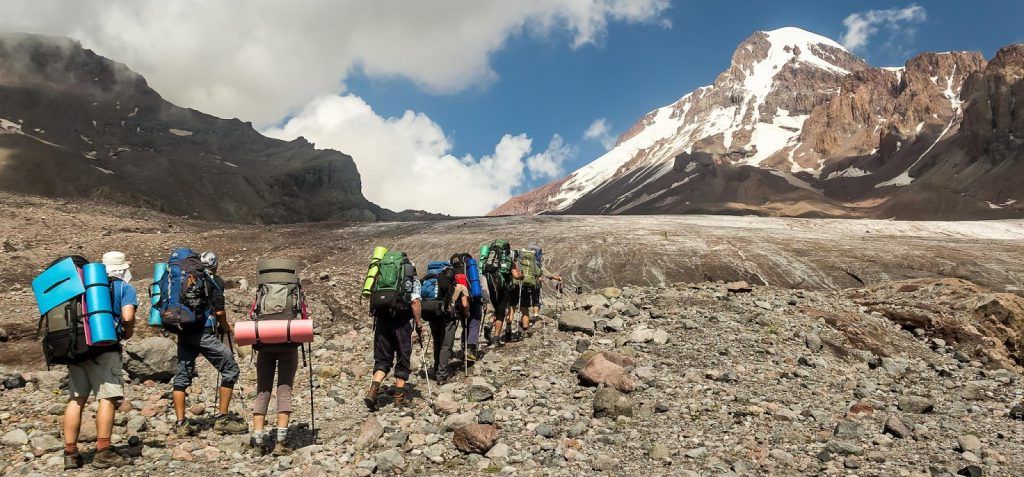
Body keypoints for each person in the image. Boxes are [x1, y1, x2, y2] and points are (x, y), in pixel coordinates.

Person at [63, 251, 137, 469]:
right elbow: (128, 317)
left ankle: (70, 453)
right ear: (123, 268)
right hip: (105, 349)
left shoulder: (80, 287)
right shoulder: (124, 287)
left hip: (76, 348)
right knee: (107, 397)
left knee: (77, 399)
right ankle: (103, 451)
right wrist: (127, 331)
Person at [171, 251, 246, 437]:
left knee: (182, 376)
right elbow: (219, 312)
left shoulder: (183, 280)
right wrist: (226, 328)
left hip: (183, 332)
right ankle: (222, 419)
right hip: (203, 333)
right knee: (230, 369)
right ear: (216, 265)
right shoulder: (215, 282)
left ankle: (181, 423)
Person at [247, 258, 302, 456]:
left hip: (264, 345)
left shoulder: (262, 291)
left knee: (263, 390)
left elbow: (253, 314)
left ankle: (259, 439)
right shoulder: (294, 291)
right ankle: (281, 441)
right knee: (284, 390)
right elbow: (302, 314)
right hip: (288, 344)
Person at [365, 259, 424, 410]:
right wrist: (418, 324)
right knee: (403, 356)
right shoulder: (411, 279)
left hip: (382, 321)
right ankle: (399, 397)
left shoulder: (381, 276)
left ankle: (373, 391)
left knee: (382, 357)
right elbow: (415, 302)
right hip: (401, 322)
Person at [430, 272, 470, 384]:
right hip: (448, 318)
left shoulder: (434, 285)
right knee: (446, 345)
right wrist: (466, 314)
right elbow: (465, 304)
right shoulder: (460, 287)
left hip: (433, 315)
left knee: (437, 342)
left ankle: (436, 367)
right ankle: (441, 375)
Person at [483, 244, 523, 347]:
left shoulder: (491, 260)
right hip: (503, 288)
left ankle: (490, 323)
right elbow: (516, 276)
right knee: (501, 312)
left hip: (490, 286)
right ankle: (496, 338)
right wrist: (521, 275)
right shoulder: (509, 261)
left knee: (496, 308)